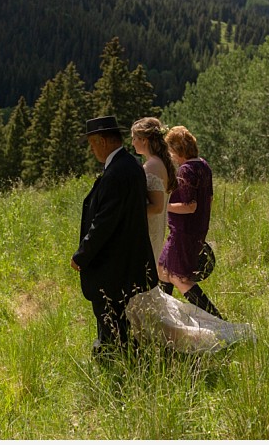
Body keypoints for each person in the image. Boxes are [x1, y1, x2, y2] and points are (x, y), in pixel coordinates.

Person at [71, 115, 158, 358]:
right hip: (126, 258)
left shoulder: (117, 172)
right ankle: (123, 355)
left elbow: (104, 223)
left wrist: (82, 255)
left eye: (91, 144)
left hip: (112, 263)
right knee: (119, 316)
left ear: (102, 141)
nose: (91, 150)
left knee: (109, 316)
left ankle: (113, 359)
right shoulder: (129, 165)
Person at [157, 125, 224, 319]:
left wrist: (164, 206)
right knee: (163, 270)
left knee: (181, 279)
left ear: (178, 150)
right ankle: (163, 318)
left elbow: (189, 205)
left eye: (170, 150)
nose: (169, 155)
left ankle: (217, 320)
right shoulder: (203, 165)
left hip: (183, 232)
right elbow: (208, 200)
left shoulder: (185, 170)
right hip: (195, 230)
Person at [130, 117, 177, 266]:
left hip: (150, 229)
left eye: (134, 138)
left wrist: (129, 210)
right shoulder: (159, 162)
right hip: (155, 228)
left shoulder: (152, 166)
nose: (132, 143)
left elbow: (157, 207)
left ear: (144, 140)